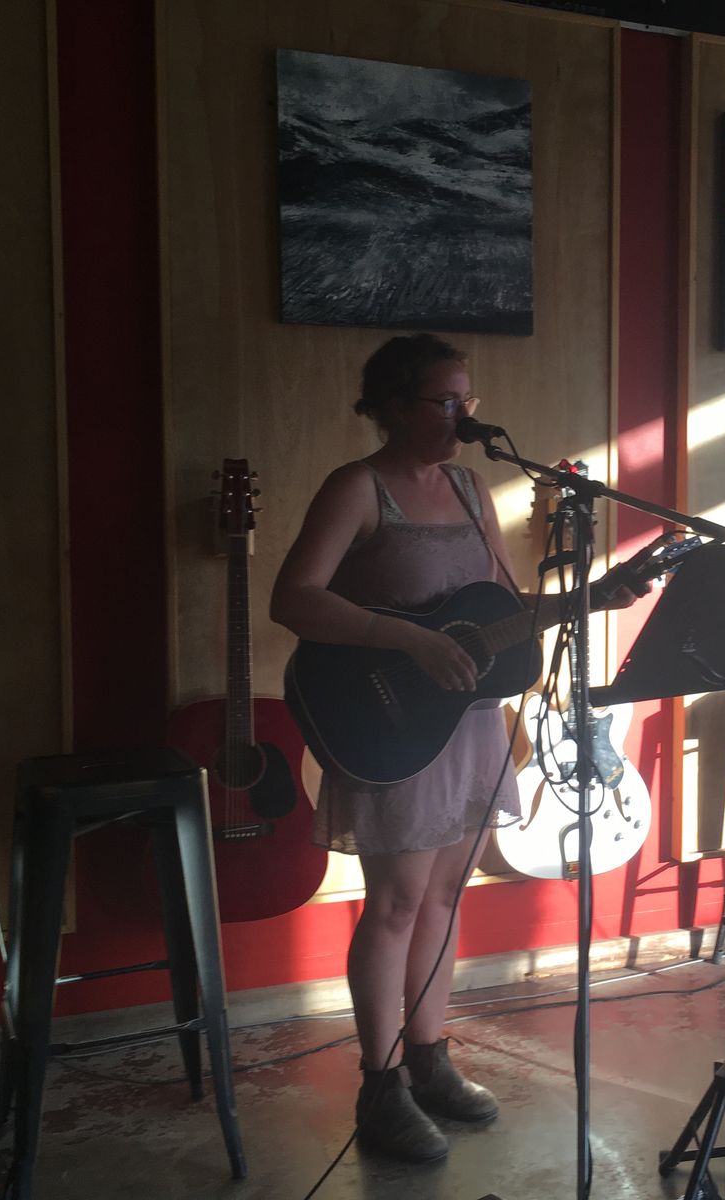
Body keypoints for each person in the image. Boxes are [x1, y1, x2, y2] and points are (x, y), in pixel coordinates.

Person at [270, 333, 633, 1163]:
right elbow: (293, 599)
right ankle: (380, 1085)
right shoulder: (356, 488)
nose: (463, 417)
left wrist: (589, 597)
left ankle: (429, 1058)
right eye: (445, 401)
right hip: (389, 720)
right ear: (393, 407)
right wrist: (405, 639)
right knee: (396, 901)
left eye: (467, 400)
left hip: (464, 720)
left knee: (443, 894)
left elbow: (499, 607)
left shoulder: (471, 489)